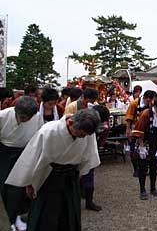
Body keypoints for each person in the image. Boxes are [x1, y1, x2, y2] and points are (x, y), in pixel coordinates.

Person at [6, 109, 101, 231]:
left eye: (86, 135)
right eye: (80, 134)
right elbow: (32, 158)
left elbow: (88, 155)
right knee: (46, 216)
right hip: (49, 177)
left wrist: (81, 174)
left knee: (69, 214)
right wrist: (30, 183)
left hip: (70, 177)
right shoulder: (49, 131)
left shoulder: (88, 131)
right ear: (70, 122)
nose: (83, 137)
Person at [0, 97, 43, 231]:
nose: (27, 120)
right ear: (15, 111)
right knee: (2, 185)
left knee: (18, 187)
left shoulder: (37, 117)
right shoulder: (3, 116)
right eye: (23, 117)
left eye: (29, 117)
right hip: (4, 152)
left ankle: (14, 217)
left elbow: (39, 136)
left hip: (25, 153)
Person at [132, 97, 157, 200]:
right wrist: (142, 147)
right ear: (155, 106)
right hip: (144, 142)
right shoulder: (145, 114)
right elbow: (139, 132)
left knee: (154, 168)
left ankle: (153, 188)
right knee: (143, 168)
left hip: (155, 144)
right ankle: (142, 190)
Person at [81, 104, 110, 211]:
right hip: (77, 151)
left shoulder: (104, 125)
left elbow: (102, 138)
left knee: (89, 177)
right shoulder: (83, 119)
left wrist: (97, 146)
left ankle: (89, 201)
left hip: (91, 151)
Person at [125, 90, 157, 177]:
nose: (151, 103)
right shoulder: (134, 103)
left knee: (145, 150)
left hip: (146, 129)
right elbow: (129, 117)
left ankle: (144, 167)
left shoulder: (152, 104)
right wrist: (128, 129)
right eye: (149, 101)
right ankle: (136, 169)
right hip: (134, 128)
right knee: (133, 150)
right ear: (146, 98)